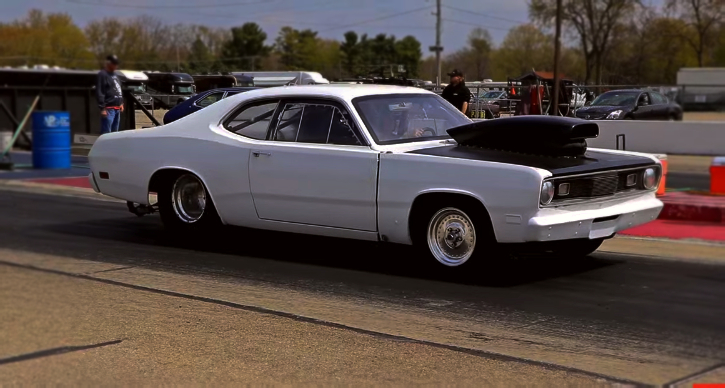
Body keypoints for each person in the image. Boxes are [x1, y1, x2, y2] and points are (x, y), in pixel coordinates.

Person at [96, 54, 124, 135]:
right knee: (107, 133)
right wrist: (102, 108)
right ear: (108, 63)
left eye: (116, 64)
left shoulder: (115, 75)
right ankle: (105, 147)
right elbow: (100, 91)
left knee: (115, 133)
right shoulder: (103, 75)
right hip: (109, 108)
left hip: (117, 108)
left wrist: (121, 102)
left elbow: (118, 88)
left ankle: (113, 147)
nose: (116, 66)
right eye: (114, 64)